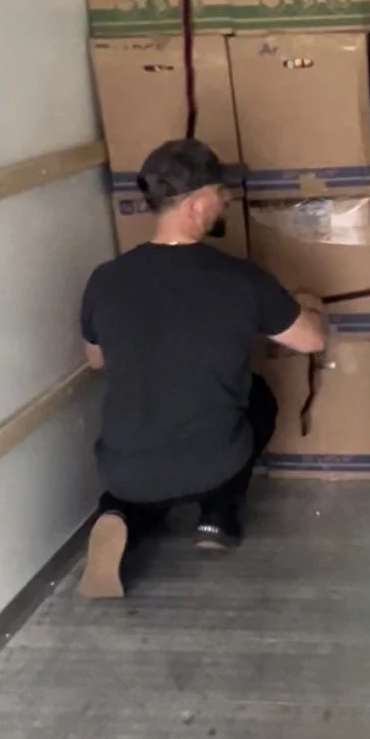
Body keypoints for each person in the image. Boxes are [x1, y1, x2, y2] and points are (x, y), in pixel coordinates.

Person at [77, 138, 326, 599]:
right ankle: (217, 515)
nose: (226, 200)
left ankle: (118, 515)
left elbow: (97, 359)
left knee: (143, 468)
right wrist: (305, 307)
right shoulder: (238, 279)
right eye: (220, 192)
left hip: (122, 466)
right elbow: (312, 340)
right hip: (207, 460)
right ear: (195, 205)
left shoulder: (105, 279)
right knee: (257, 398)